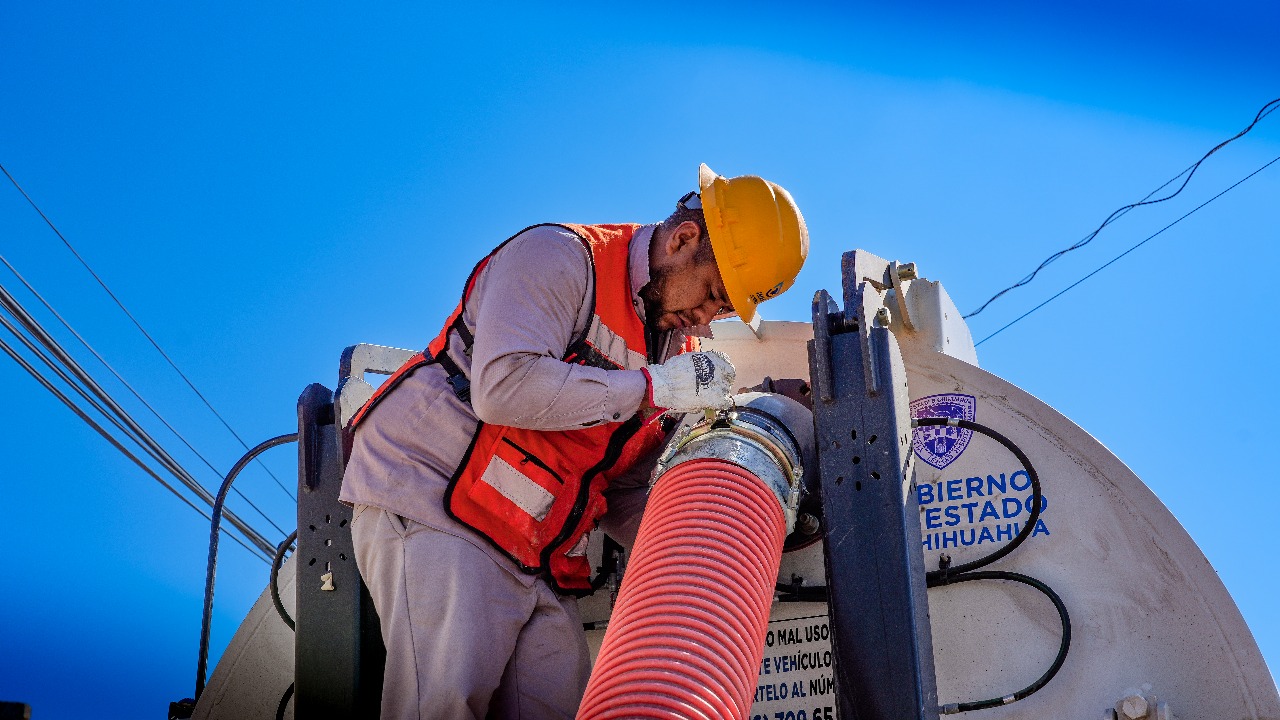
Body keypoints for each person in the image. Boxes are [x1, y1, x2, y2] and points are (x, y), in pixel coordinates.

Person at [339, 163, 808, 719]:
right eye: (712, 294)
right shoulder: (561, 257)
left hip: (533, 551)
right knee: (442, 704)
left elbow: (624, 485)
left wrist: (718, 543)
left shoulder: (673, 351)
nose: (707, 320)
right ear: (683, 239)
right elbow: (502, 386)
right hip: (435, 498)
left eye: (725, 311)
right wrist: (650, 388)